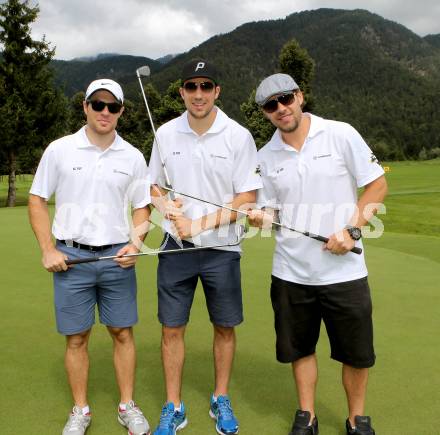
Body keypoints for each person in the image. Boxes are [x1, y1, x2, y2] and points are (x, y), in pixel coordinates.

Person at [248, 73, 387, 435]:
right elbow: (271, 213)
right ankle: (307, 415)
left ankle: (357, 418)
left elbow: (377, 184)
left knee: (356, 354)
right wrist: (262, 217)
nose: (281, 109)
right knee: (301, 349)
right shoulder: (265, 156)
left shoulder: (340, 133)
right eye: (270, 105)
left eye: (285, 99)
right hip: (291, 274)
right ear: (264, 113)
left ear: (299, 95)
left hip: (346, 271)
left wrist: (352, 229)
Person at [28, 79, 151, 435]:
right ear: (85, 106)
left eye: (113, 107)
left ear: (121, 112)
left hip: (117, 257)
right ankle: (80, 409)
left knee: (122, 333)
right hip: (71, 258)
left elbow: (142, 207)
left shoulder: (132, 156)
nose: (105, 112)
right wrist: (47, 248)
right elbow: (37, 199)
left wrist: (136, 243)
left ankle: (127, 406)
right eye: (98, 105)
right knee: (77, 338)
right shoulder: (60, 150)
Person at [148, 59, 262, 435]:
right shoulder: (165, 133)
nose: (198, 94)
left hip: (222, 249)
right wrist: (165, 205)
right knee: (171, 329)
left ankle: (220, 397)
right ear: (181, 91)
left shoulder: (238, 135)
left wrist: (200, 223)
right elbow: (153, 186)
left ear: (216, 92)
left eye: (205, 86)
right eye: (191, 87)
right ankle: (173, 405)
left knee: (225, 326)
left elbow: (246, 197)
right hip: (176, 247)